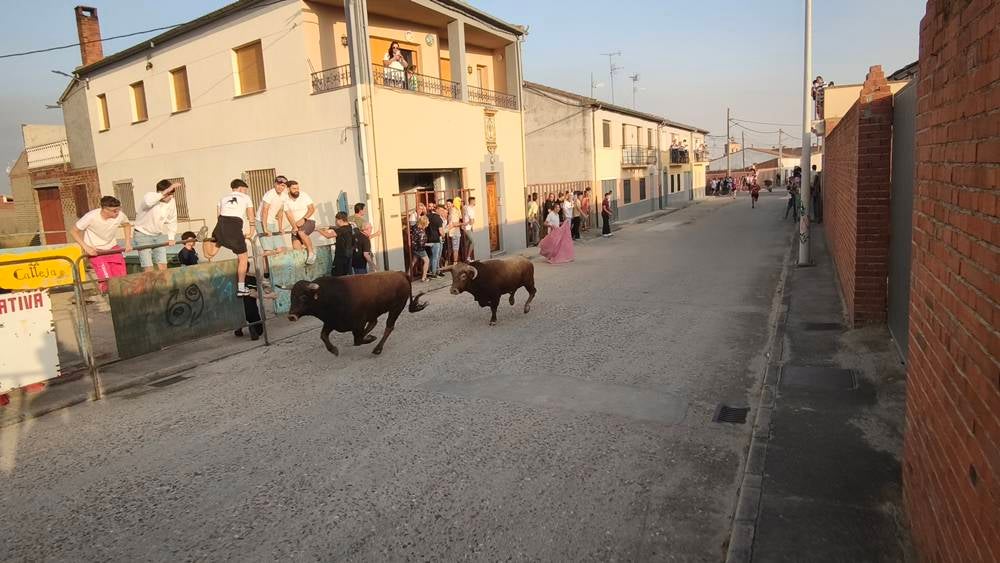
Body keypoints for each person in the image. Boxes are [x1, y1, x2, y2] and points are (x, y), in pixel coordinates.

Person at [203, 179, 256, 297]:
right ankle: (241, 288)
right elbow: (251, 214)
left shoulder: (222, 198)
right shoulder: (245, 197)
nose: (245, 192)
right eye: (245, 190)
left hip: (220, 224)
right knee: (243, 258)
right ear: (241, 188)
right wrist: (251, 230)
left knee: (210, 254)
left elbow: (218, 215)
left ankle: (204, 240)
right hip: (234, 225)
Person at [71, 195, 132, 293]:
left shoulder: (120, 215)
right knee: (106, 278)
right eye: (114, 211)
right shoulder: (91, 217)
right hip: (96, 250)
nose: (117, 213)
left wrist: (128, 243)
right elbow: (74, 231)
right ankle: (106, 292)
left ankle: (121, 298)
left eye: (118, 209)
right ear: (104, 209)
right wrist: (86, 247)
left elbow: (127, 225)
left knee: (121, 278)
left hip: (112, 247)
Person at [133, 179, 178, 272]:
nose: (171, 197)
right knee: (148, 267)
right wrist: (166, 191)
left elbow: (172, 220)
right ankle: (150, 285)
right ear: (161, 192)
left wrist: (171, 237)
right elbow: (148, 202)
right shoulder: (149, 196)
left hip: (158, 235)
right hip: (142, 234)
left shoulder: (171, 202)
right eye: (169, 194)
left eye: (172, 194)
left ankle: (164, 286)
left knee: (163, 265)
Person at [283, 180, 317, 265]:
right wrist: (294, 226)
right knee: (296, 244)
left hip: (309, 220)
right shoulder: (285, 199)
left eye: (297, 188)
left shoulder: (304, 195)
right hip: (296, 225)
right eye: (294, 188)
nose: (296, 190)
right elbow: (289, 215)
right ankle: (301, 264)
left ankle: (311, 253)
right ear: (288, 189)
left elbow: (311, 209)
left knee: (301, 232)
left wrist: (304, 219)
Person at [256, 175, 289, 254]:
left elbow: (280, 212)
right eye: (278, 184)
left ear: (285, 186)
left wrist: (280, 228)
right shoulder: (270, 194)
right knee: (268, 251)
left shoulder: (284, 196)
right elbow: (265, 211)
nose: (280, 187)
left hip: (272, 222)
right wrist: (265, 229)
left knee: (280, 249)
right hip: (261, 222)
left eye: (282, 185)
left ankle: (278, 266)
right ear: (274, 184)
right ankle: (265, 265)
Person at [425, 200, 445, 277]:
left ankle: (433, 271)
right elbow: (441, 231)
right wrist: (443, 236)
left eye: (443, 210)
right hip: (436, 240)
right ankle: (434, 273)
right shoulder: (438, 219)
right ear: (436, 209)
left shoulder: (428, 216)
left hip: (428, 240)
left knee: (431, 256)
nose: (442, 212)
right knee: (436, 257)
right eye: (441, 210)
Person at [411, 215, 430, 282]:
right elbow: (421, 243)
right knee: (427, 261)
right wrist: (428, 244)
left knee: (413, 261)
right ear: (424, 223)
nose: (428, 223)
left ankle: (407, 275)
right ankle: (424, 277)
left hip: (414, 247)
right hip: (420, 249)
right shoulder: (421, 232)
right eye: (427, 222)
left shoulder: (415, 227)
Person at [447, 198, 462, 265]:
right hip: (452, 232)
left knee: (454, 248)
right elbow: (455, 222)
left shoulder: (454, 211)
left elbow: (454, 222)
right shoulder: (453, 211)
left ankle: (453, 262)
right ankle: (453, 262)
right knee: (454, 248)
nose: (447, 205)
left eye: (449, 204)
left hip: (453, 232)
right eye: (447, 204)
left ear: (452, 204)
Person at [462, 196, 476, 262]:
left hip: (467, 227)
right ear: (471, 201)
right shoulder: (470, 209)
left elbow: (463, 214)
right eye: (474, 201)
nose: (475, 202)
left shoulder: (465, 207)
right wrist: (471, 222)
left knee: (467, 243)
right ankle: (468, 257)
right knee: (473, 242)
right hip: (467, 228)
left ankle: (465, 257)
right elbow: (471, 221)